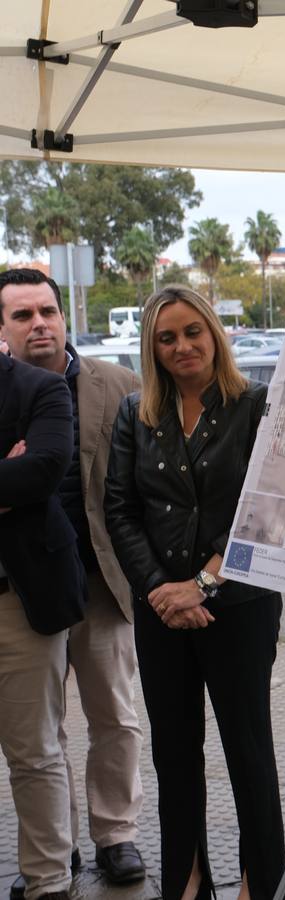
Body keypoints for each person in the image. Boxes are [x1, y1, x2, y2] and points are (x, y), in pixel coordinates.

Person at [103, 285, 285, 900]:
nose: (182, 346)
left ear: (214, 334)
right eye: (166, 337)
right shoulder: (136, 412)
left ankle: (261, 882)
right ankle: (186, 877)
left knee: (249, 755)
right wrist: (159, 589)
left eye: (192, 332)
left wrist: (202, 584)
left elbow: (265, 511)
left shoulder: (255, 406)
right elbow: (120, 510)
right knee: (173, 757)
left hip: (237, 607)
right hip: (162, 615)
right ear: (152, 349)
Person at [0, 268, 147, 897]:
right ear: (3, 328)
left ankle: (116, 835)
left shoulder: (119, 387)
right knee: (42, 733)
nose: (39, 324)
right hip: (30, 587)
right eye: (23, 315)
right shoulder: (10, 391)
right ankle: (54, 858)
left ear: (64, 316)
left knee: (114, 715)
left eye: (48, 312)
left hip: (102, 581)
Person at [0, 349, 84, 900]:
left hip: (21, 599)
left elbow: (44, 469)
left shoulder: (41, 389)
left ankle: (48, 879)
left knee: (34, 750)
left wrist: (19, 474)